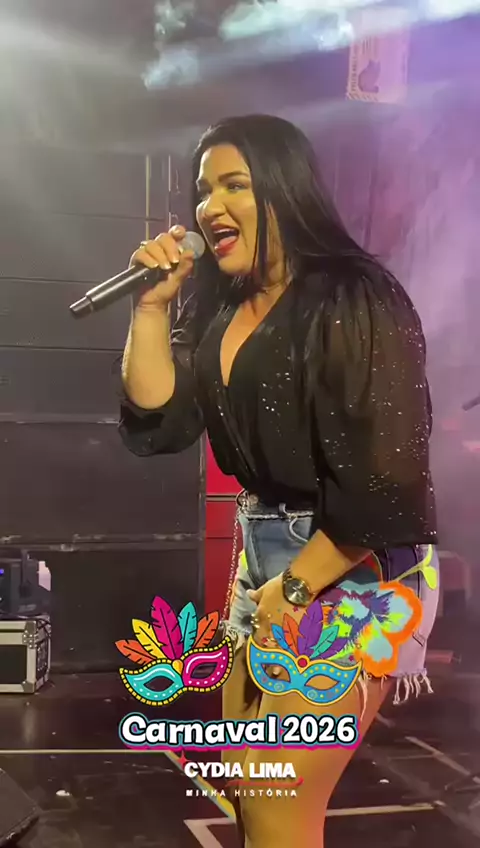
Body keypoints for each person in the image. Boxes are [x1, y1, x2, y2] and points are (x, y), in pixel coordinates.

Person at [117, 114, 439, 847]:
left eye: (235, 184)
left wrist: (293, 588)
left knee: (277, 801)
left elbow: (388, 480)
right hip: (262, 555)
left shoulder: (353, 296)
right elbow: (159, 412)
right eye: (204, 190)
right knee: (248, 786)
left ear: (285, 190)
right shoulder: (219, 303)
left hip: (350, 564)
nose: (211, 207)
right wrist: (151, 305)